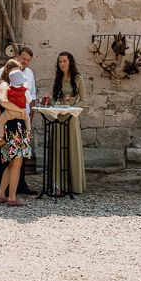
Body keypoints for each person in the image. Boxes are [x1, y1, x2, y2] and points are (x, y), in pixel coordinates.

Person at [0, 46, 36, 194]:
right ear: (17, 56)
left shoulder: (29, 73)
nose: (25, 62)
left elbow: (32, 94)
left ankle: (19, 186)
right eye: (23, 58)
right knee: (6, 158)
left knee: (19, 159)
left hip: (22, 120)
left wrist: (30, 114)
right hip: (8, 119)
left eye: (28, 60)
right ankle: (4, 191)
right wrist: (0, 116)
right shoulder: (3, 74)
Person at [52, 51, 89, 194]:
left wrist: (72, 109)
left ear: (70, 62)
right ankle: (58, 184)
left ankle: (74, 185)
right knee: (58, 148)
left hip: (72, 117)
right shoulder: (58, 78)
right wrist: (55, 105)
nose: (62, 64)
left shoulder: (78, 78)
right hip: (59, 115)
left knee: (72, 148)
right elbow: (54, 97)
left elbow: (84, 99)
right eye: (60, 62)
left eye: (64, 61)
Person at [0, 68, 31, 144]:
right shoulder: (25, 90)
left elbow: (4, 101)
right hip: (22, 113)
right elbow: (29, 100)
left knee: (0, 122)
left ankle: (0, 138)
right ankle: (29, 133)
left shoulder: (8, 89)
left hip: (10, 113)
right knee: (27, 119)